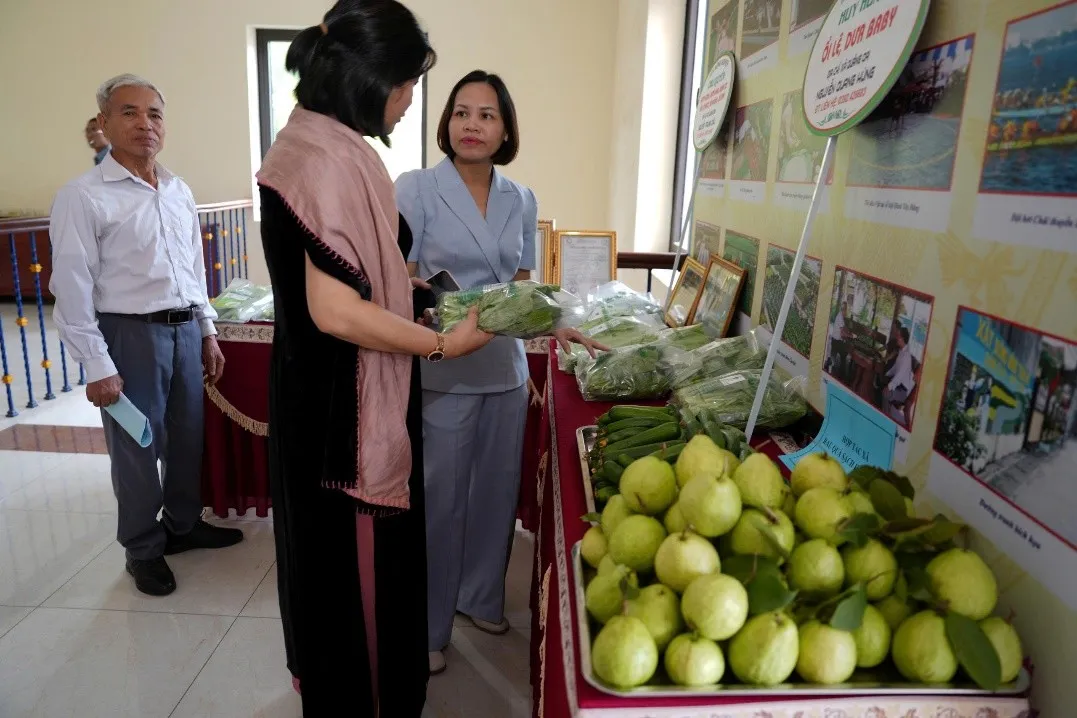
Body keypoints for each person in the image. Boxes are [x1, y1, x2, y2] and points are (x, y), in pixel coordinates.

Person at [255, 3, 492, 714]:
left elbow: (357, 276)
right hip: (344, 422)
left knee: (338, 585)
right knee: (356, 596)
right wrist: (443, 343)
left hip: (327, 398)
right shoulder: (324, 160)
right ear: (364, 77)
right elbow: (334, 310)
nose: (410, 99)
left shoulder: (322, 143)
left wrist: (408, 289)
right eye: (405, 83)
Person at [397, 70, 604, 675]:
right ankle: (430, 624)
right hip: (444, 365)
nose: (472, 125)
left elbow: (523, 286)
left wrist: (556, 323)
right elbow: (399, 280)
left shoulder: (522, 198)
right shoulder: (415, 189)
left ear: (505, 127)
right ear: (447, 123)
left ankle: (480, 596)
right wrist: (436, 304)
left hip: (507, 370)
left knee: (493, 494)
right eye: (462, 113)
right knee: (439, 501)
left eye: (487, 115)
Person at [49, 74, 242, 598]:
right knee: (137, 447)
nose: (144, 124)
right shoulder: (83, 196)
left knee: (186, 438)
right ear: (104, 123)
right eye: (129, 112)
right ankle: (142, 547)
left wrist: (207, 330)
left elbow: (193, 271)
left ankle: (183, 525)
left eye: (154, 114)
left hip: (183, 333)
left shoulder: (178, 190)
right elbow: (70, 286)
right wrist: (97, 364)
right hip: (127, 334)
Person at [884, 326, 916, 409]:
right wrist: (886, 374)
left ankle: (886, 415)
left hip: (902, 391)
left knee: (886, 394)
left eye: (898, 336)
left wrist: (889, 386)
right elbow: (895, 369)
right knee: (882, 383)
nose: (896, 337)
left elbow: (899, 376)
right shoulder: (902, 351)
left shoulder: (906, 356)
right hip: (898, 386)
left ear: (902, 338)